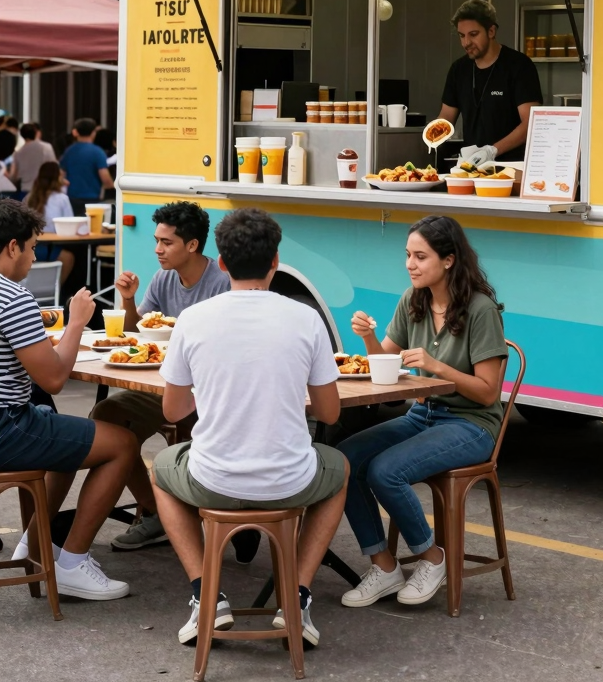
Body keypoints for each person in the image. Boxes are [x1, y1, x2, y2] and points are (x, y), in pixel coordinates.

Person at [152, 208, 349, 647]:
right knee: (338, 469)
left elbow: (173, 409)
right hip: (289, 481)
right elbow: (331, 415)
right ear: (276, 261)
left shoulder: (193, 319)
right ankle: (296, 596)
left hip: (212, 479)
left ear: (221, 262)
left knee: (161, 468)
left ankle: (206, 595)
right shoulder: (306, 319)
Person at [338, 215, 507, 608]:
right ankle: (384, 566)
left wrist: (437, 367)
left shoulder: (480, 310)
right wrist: (367, 338)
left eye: (420, 256)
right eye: (408, 255)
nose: (410, 264)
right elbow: (386, 367)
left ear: (448, 260)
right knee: (344, 460)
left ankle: (432, 558)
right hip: (424, 415)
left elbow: (487, 393)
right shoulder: (413, 301)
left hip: (472, 425)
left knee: (386, 471)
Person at [0, 199, 135, 600]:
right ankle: (73, 561)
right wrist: (77, 321)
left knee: (61, 429)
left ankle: (34, 542)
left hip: (15, 421)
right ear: (12, 247)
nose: (34, 255)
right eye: (32, 247)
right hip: (7, 426)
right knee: (123, 445)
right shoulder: (13, 297)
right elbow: (55, 378)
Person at [91, 201, 230, 553]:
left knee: (184, 426)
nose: (157, 249)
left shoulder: (221, 284)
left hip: (208, 392)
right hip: (162, 383)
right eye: (156, 240)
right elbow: (139, 334)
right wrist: (128, 299)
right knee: (105, 417)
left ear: (193, 245)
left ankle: (190, 513)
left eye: (166, 243)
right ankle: (156, 514)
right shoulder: (164, 278)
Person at [437, 0, 542, 166]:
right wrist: (432, 136)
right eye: (461, 36)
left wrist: (491, 151)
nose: (466, 43)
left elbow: (531, 123)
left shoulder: (519, 66)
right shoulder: (459, 69)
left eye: (473, 34)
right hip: (470, 166)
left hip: (512, 167)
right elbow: (446, 117)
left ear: (491, 31)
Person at [24, 162, 75, 284]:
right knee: (69, 257)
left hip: (32, 248)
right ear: (58, 178)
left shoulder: (28, 198)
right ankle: (56, 291)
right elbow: (70, 224)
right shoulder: (62, 199)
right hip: (53, 249)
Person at [58, 117, 114, 216]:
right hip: (92, 199)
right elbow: (105, 178)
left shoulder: (69, 151)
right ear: (93, 133)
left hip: (72, 198)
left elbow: (60, 175)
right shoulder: (97, 152)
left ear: (76, 132)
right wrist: (113, 187)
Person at [10, 123, 57, 196]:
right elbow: (54, 168)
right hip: (43, 190)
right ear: (36, 133)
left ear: (22, 135)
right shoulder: (46, 147)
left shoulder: (18, 153)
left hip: (24, 191)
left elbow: (14, 176)